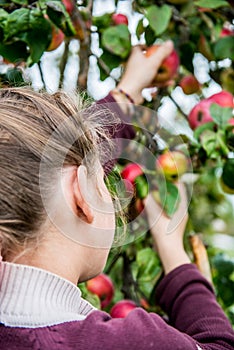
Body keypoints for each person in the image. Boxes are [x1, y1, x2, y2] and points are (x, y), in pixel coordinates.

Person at [0, 41, 233, 350]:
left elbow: (46, 163)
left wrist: (127, 93)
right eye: (103, 181)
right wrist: (175, 255)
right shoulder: (130, 342)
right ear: (82, 195)